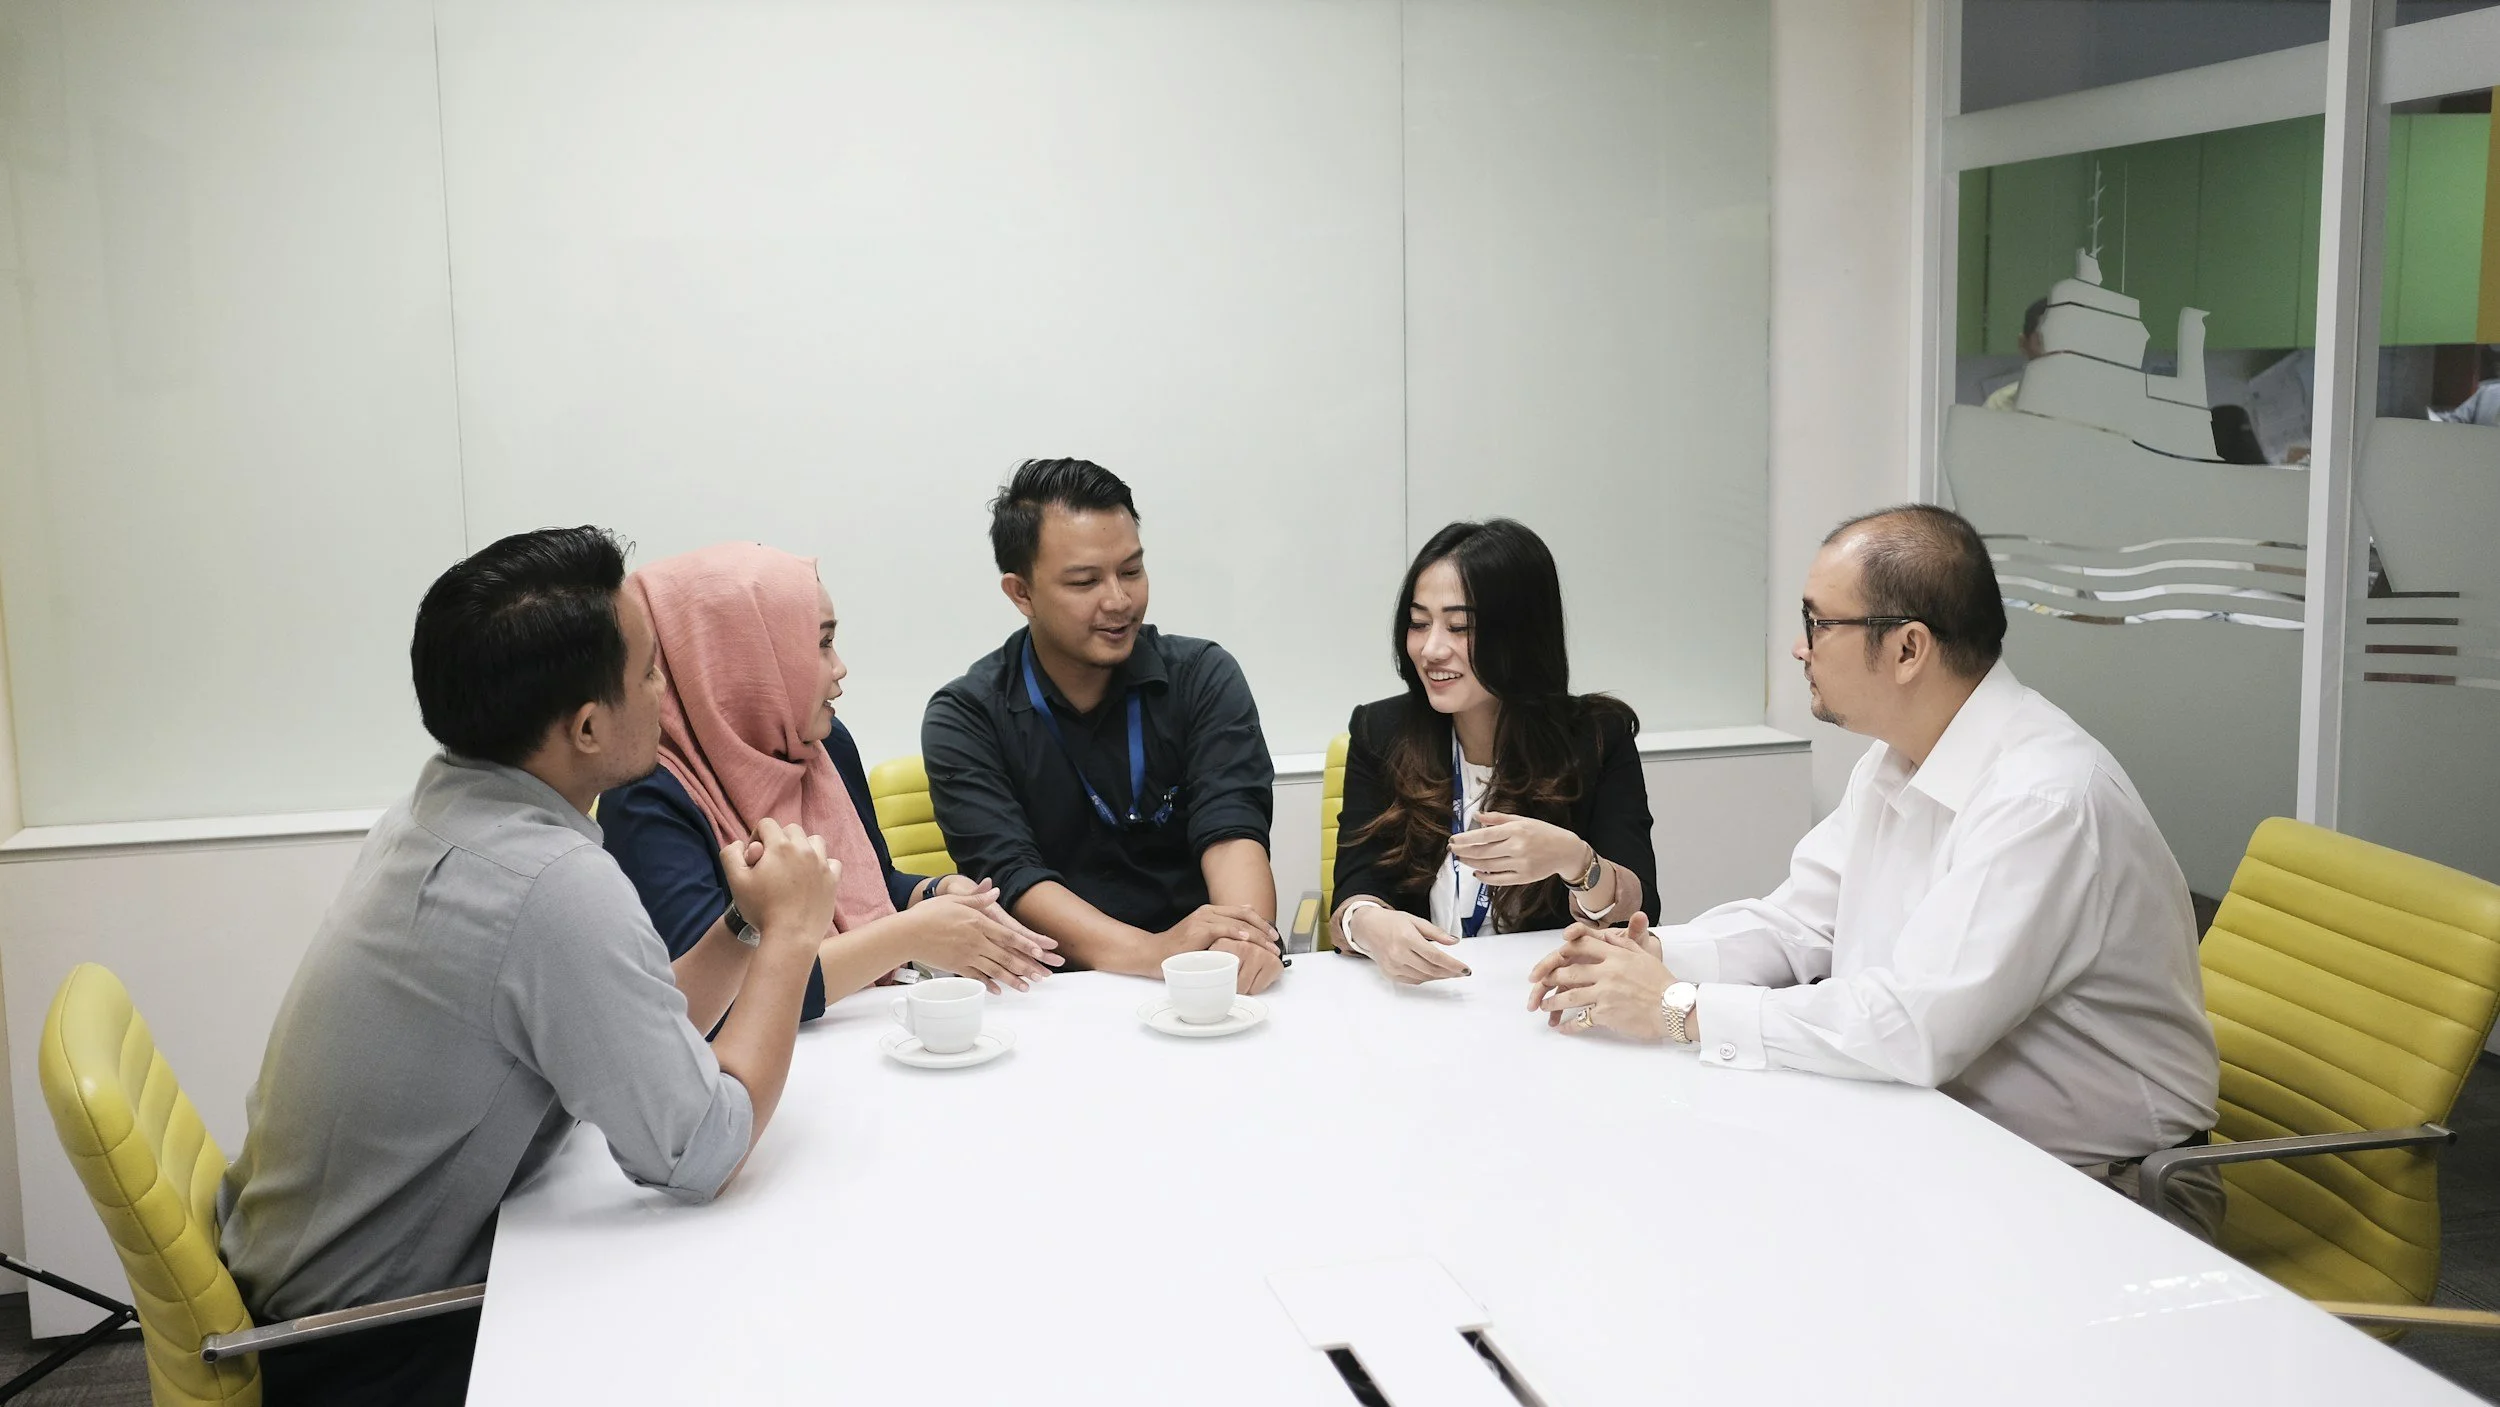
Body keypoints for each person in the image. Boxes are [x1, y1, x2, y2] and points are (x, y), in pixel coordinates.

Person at [219, 527, 843, 1405]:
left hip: (294, 1281)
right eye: (652, 672)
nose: (667, 692)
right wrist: (791, 936)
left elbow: (618, 1017)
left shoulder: (438, 805)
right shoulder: (553, 884)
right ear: (587, 727)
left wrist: (742, 923)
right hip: (370, 1343)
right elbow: (700, 1152)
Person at [1528, 505, 2225, 1238]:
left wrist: (1680, 1007)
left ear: (1907, 649)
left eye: (1819, 623)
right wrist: (1649, 957)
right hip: (1947, 1139)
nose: (1800, 648)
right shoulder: (1899, 758)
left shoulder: (2044, 798)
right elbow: (1798, 923)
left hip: (2110, 1195)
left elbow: (1913, 1026)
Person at [601, 542, 1059, 1019]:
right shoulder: (645, 795)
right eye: (820, 644)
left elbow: (873, 885)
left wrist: (937, 893)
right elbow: (718, 1000)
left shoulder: (822, 743)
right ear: (737, 659)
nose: (840, 668)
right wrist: (912, 933)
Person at [923, 458, 1283, 994]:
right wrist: (1150, 952)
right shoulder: (966, 716)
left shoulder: (1203, 677)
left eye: (1131, 571)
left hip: (1199, 977)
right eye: (1085, 581)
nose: (1118, 601)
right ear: (1021, 593)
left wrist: (1242, 940)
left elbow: (1232, 827)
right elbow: (1014, 878)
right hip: (1055, 994)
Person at [1330, 519, 1658, 984]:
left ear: (1521, 636)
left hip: (1539, 995)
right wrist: (1367, 924)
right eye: (1419, 623)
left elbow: (1640, 916)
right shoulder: (1381, 732)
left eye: (1459, 627)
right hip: (1421, 999)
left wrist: (1576, 861)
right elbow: (1353, 891)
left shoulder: (1596, 738)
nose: (1431, 649)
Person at [1981, 296, 2050, 411]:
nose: (2056, 353)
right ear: (2023, 344)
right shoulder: (2000, 405)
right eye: (2041, 342)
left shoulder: (2089, 403)